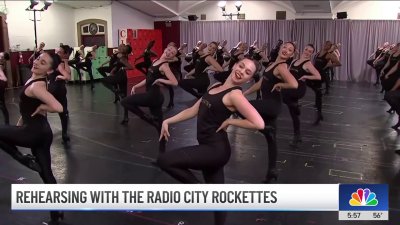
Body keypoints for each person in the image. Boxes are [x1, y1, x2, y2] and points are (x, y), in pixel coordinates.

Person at [157, 58, 264, 225]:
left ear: (249, 79)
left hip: (215, 150)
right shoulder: (215, 86)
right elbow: (193, 110)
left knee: (165, 160)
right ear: (235, 65)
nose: (241, 71)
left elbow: (259, 123)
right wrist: (168, 121)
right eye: (241, 66)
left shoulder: (235, 95)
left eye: (247, 72)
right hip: (209, 147)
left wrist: (230, 121)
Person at [0, 52, 64, 224]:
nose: (36, 63)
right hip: (42, 133)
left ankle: (24, 159)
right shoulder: (37, 81)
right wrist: (20, 122)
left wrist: (45, 105)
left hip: (34, 133)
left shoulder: (37, 86)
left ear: (48, 70)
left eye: (42, 63)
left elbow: (58, 107)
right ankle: (56, 214)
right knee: (46, 173)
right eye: (37, 59)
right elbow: (28, 108)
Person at [243, 42, 298, 183]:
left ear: (292, 55)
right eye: (285, 47)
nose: (286, 50)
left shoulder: (281, 66)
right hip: (270, 105)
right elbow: (262, 82)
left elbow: (294, 84)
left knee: (241, 107)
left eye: (290, 50)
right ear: (280, 48)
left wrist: (281, 84)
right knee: (271, 140)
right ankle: (271, 172)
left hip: (272, 105)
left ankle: (265, 129)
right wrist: (246, 92)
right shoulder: (273, 63)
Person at [120, 45, 179, 154]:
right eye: (169, 50)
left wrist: (161, 79)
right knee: (160, 128)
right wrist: (136, 86)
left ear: (172, 57)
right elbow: (148, 79)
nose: (169, 52)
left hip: (153, 96)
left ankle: (149, 119)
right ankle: (162, 155)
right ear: (165, 48)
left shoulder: (164, 65)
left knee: (124, 101)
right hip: (156, 97)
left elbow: (175, 82)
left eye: (172, 53)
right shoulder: (156, 60)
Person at [282, 44, 321, 147]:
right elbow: (288, 74)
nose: (307, 52)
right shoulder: (294, 61)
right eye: (306, 49)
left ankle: (296, 107)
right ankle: (297, 136)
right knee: (293, 114)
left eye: (310, 51)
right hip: (291, 87)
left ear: (312, 54)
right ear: (303, 49)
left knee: (283, 95)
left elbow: (318, 76)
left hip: (299, 90)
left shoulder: (308, 64)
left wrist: (306, 76)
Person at [48, 45, 73, 144]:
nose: (57, 52)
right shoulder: (53, 62)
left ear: (64, 53)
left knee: (63, 112)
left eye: (59, 51)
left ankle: (64, 133)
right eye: (57, 51)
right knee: (42, 109)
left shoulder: (61, 63)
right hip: (51, 89)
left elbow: (68, 75)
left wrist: (61, 76)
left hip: (59, 90)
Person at [0, 52, 10, 124]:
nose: (0, 58)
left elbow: (4, 79)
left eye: (2, 57)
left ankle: (7, 124)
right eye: (0, 56)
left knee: (2, 106)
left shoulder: (1, 66)